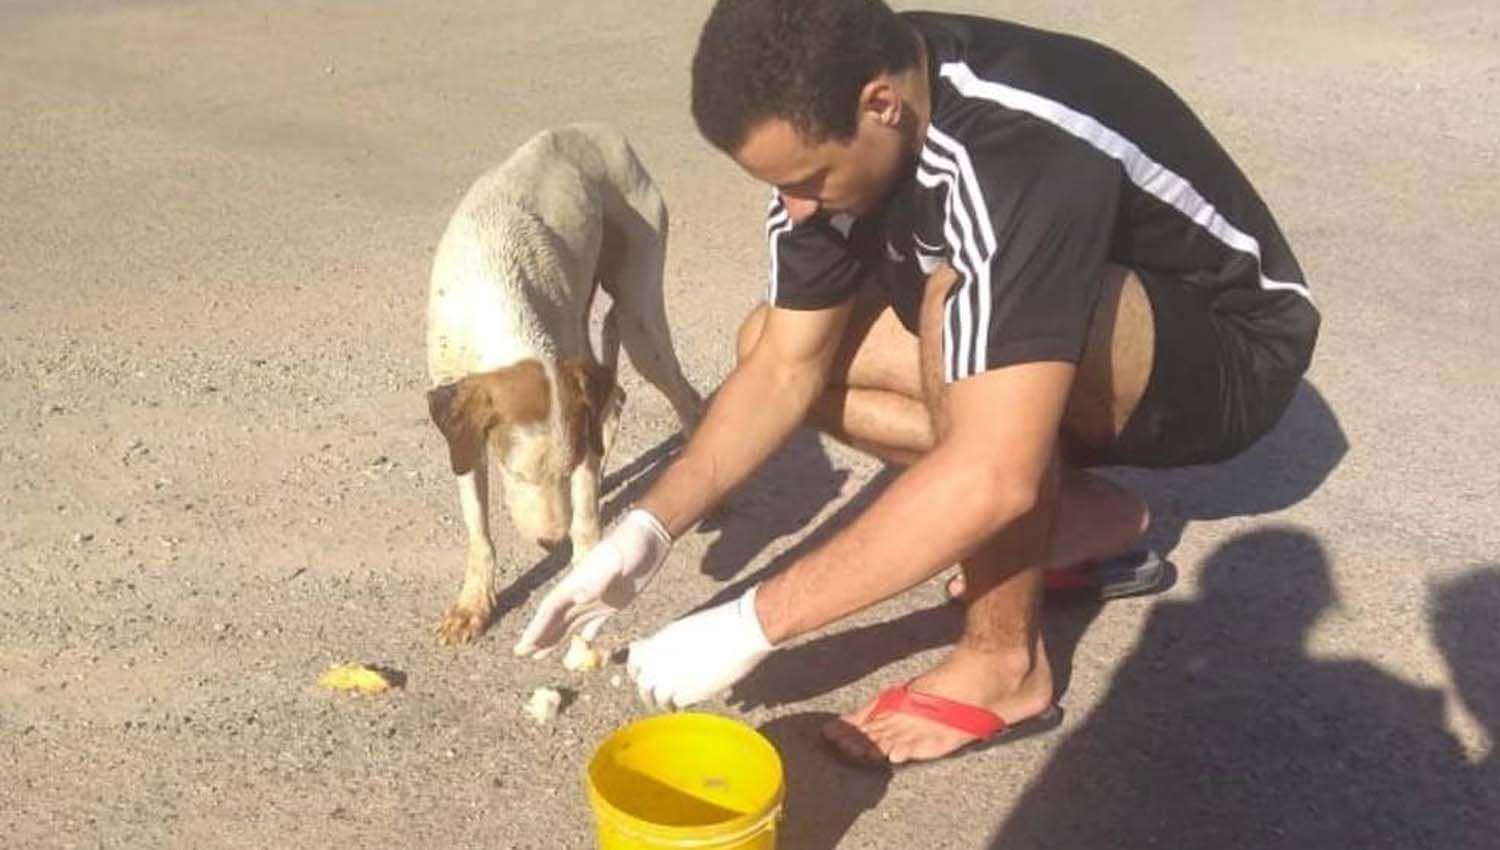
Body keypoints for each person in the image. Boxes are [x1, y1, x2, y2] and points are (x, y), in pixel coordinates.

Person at [514, 0, 1320, 767]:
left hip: (1225, 349)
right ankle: (1071, 515)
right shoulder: (839, 117)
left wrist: (751, 623)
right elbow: (784, 368)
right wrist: (648, 530)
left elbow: (989, 470)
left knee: (957, 314)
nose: (794, 210)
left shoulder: (1008, 151)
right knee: (770, 335)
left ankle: (1006, 666)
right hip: (1062, 317)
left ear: (881, 105)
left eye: (810, 178)